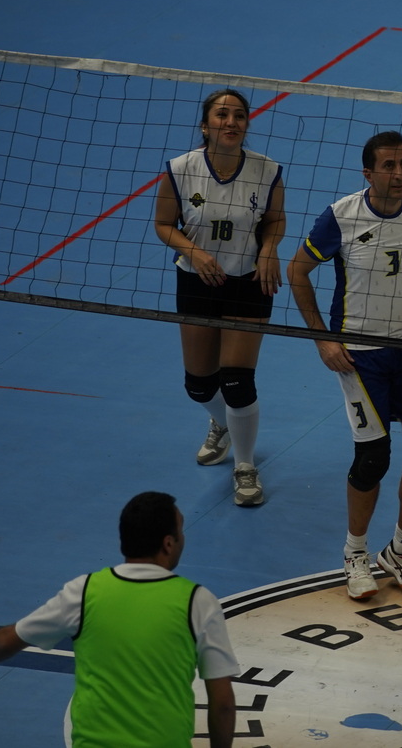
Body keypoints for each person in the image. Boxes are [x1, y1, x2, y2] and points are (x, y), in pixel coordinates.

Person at [0, 491, 239, 747]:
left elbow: (6, 641)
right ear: (168, 543)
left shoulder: (83, 592)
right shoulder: (198, 602)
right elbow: (223, 704)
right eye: (181, 531)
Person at [288, 131, 402, 603]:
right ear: (368, 172)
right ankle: (355, 554)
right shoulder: (341, 216)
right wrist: (323, 338)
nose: (399, 174)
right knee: (373, 458)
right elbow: (297, 271)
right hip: (361, 355)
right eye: (388, 166)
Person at [153, 88, 285, 507]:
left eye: (239, 116)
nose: (231, 122)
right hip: (197, 280)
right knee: (198, 384)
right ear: (205, 125)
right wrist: (193, 251)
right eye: (222, 115)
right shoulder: (180, 169)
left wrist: (269, 249)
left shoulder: (267, 170)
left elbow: (275, 220)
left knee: (237, 381)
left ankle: (245, 466)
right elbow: (163, 224)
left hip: (249, 281)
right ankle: (223, 424)